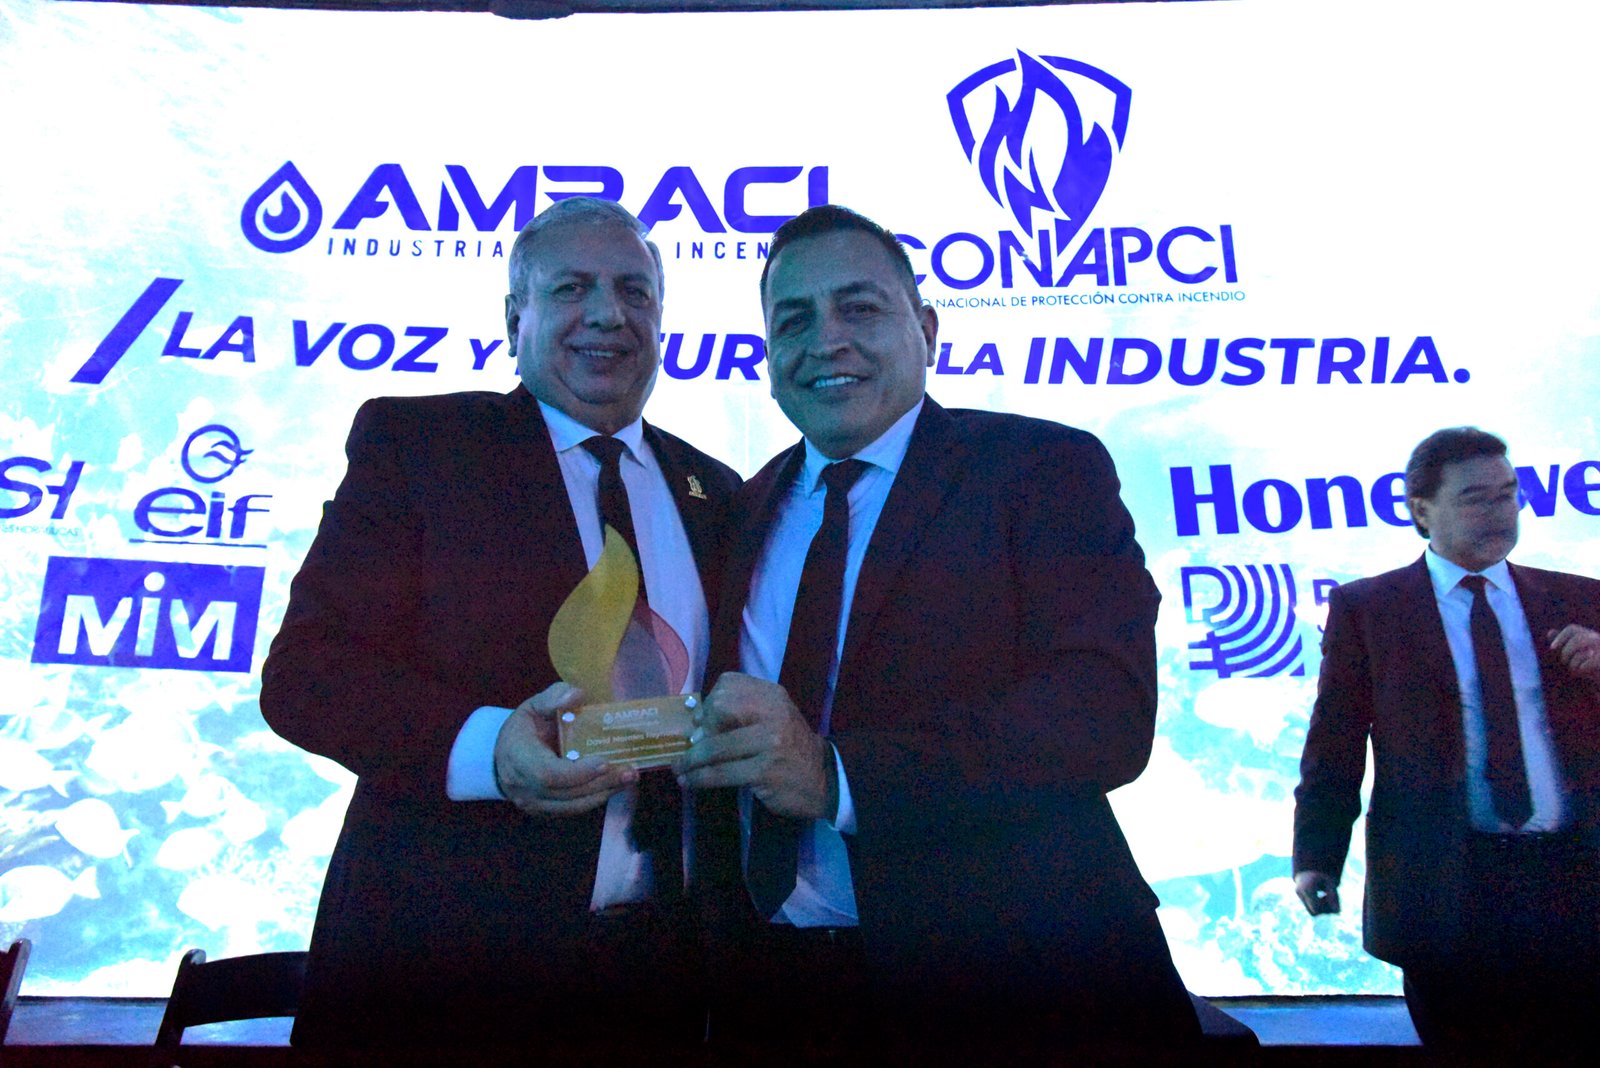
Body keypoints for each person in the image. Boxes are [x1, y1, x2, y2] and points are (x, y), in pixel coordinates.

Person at [676, 205, 1198, 1052]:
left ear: (926, 329)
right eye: (793, 320)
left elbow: (1103, 715)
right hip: (776, 993)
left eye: (860, 307)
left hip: (1018, 989)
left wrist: (838, 777)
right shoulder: (743, 505)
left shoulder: (1041, 469)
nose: (827, 340)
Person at [260, 197, 739, 1052]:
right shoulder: (421, 446)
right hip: (441, 976)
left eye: (634, 291)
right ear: (515, 316)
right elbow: (307, 674)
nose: (608, 314)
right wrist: (490, 751)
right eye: (572, 288)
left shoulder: (717, 491)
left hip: (659, 984)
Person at [1293, 426, 1600, 1053]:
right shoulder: (1369, 609)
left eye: (1508, 494)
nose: (1500, 512)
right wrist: (1317, 855)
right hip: (1446, 886)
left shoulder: (1580, 600)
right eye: (1475, 498)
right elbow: (1336, 740)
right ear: (1421, 509)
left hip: (1574, 882)